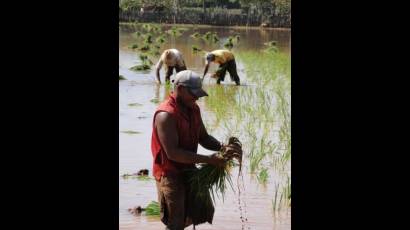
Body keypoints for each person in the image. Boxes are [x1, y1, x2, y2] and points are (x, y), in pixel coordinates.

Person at [151, 70, 242, 230]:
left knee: (198, 212)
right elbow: (173, 153)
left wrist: (223, 147)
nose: (197, 97)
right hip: (170, 173)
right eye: (193, 93)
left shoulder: (193, 109)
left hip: (189, 168)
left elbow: (204, 137)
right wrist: (209, 159)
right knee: (176, 220)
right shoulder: (166, 115)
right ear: (179, 88)